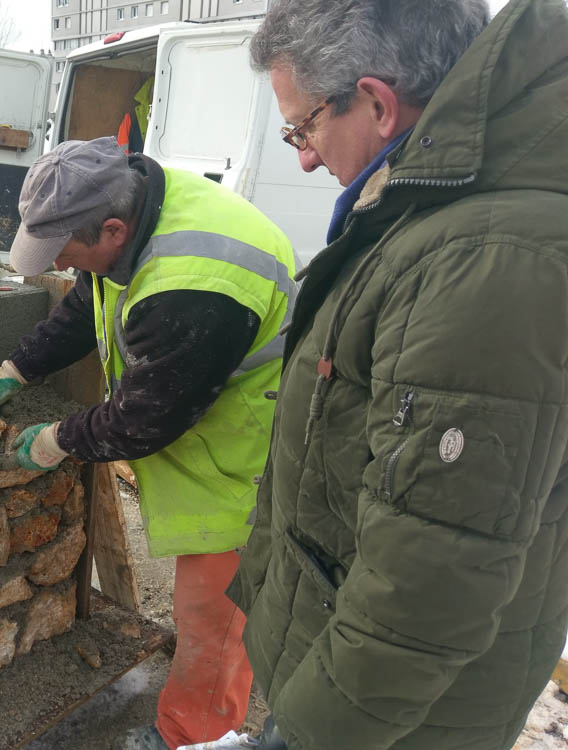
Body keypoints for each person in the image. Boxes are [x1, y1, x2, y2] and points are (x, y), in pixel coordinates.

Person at [226, 1, 568, 749]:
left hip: (396, 717)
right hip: (356, 674)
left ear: (377, 103)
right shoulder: (425, 211)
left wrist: (312, 732)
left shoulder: (484, 256)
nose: (305, 156)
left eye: (304, 127)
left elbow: (433, 573)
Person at [0, 136, 296, 750]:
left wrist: (56, 441)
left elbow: (145, 420)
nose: (62, 266)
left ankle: (190, 740)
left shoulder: (194, 283)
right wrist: (19, 366)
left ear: (112, 230)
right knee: (206, 618)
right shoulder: (137, 209)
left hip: (250, 459)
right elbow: (90, 302)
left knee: (213, 624)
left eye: (64, 253)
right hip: (202, 427)